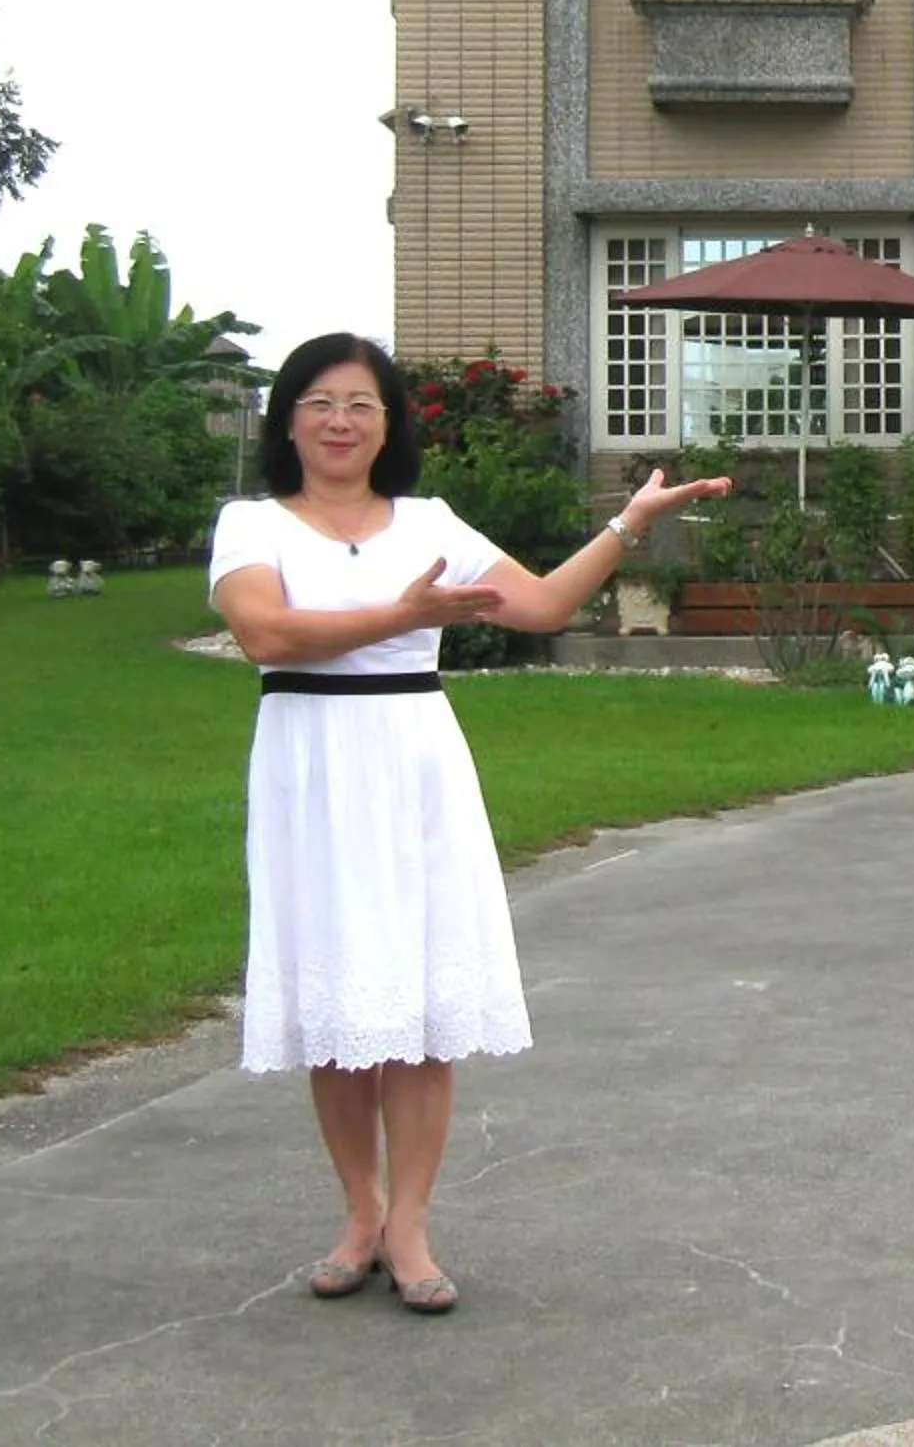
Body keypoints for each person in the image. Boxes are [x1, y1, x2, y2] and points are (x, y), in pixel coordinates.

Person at [207, 332, 730, 1316]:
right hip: (310, 766)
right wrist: (403, 614)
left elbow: (536, 606)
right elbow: (265, 634)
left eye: (362, 403)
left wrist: (628, 523)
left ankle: (408, 1225)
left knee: (418, 1007)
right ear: (287, 418)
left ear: (390, 423)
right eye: (319, 401)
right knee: (335, 1005)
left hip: (413, 761)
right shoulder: (253, 525)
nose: (340, 421)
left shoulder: (428, 522)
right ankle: (357, 1213)